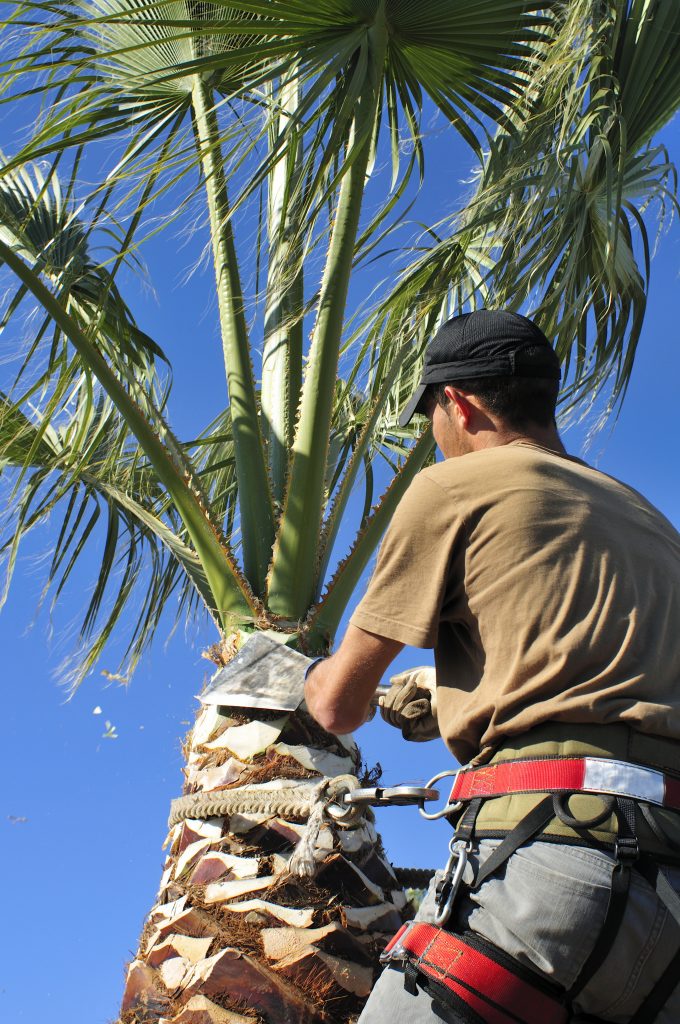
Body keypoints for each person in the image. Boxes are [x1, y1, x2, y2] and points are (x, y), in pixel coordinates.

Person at [304, 309, 680, 1024]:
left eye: (432, 418)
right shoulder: (649, 522)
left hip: (556, 872)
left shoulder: (457, 485)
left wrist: (301, 677)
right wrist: (437, 689)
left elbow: (336, 707)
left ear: (459, 404)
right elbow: (591, 670)